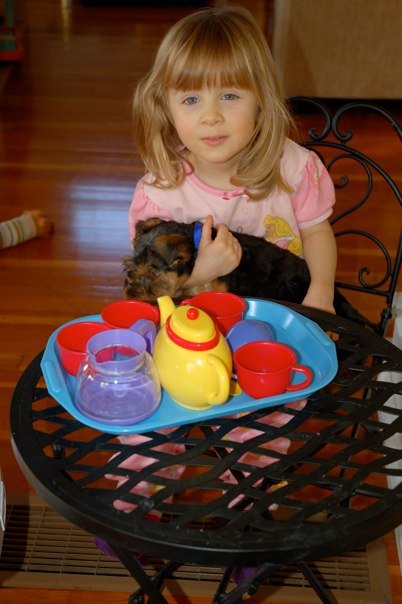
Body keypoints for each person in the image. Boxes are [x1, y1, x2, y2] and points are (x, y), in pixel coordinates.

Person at [128, 5, 337, 314]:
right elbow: (146, 288)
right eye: (191, 99)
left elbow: (316, 232)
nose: (211, 117)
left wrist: (322, 290)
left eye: (229, 96)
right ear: (165, 109)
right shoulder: (159, 194)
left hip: (283, 312)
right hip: (198, 324)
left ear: (261, 100)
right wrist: (201, 273)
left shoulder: (293, 168)